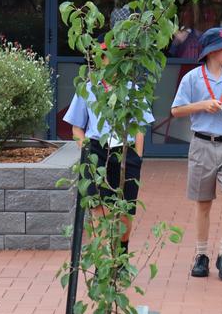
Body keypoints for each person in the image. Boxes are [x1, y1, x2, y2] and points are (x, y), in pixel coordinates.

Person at [171, 27, 222, 281]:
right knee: (203, 203)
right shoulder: (192, 78)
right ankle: (201, 255)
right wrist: (201, 105)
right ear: (211, 52)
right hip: (202, 144)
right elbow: (176, 110)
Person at [64, 44, 154, 253]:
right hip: (97, 150)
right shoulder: (88, 88)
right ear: (99, 60)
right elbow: (76, 128)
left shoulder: (132, 89)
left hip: (125, 150)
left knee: (125, 211)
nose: (113, 61)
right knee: (99, 209)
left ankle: (120, 255)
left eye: (118, 56)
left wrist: (137, 155)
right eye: (108, 56)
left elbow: (140, 126)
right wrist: (87, 151)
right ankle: (101, 259)